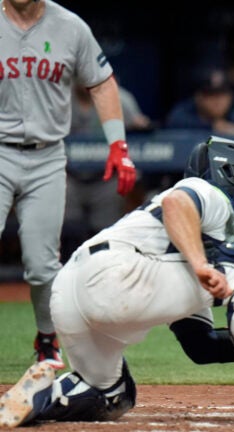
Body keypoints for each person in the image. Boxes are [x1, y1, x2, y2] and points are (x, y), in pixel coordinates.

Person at [0, 136, 234, 428]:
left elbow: (200, 347)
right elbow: (177, 203)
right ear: (228, 174)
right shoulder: (208, 192)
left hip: (71, 291)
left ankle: (43, 396)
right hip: (118, 274)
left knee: (111, 397)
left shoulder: (201, 252)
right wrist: (200, 265)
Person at [0, 0, 137, 370]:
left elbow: (102, 82)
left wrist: (118, 146)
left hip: (46, 156)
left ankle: (47, 338)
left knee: (42, 266)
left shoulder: (70, 26)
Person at [64, 82, 153, 262]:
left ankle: (103, 271)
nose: (85, 77)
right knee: (67, 232)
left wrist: (139, 127)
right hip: (68, 176)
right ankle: (67, 273)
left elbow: (141, 136)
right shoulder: (58, 96)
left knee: (105, 234)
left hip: (105, 178)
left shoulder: (119, 98)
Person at [165, 67, 234, 137]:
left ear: (231, 96)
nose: (217, 101)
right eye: (211, 94)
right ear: (198, 97)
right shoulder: (183, 113)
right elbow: (173, 121)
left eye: (222, 94)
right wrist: (212, 126)